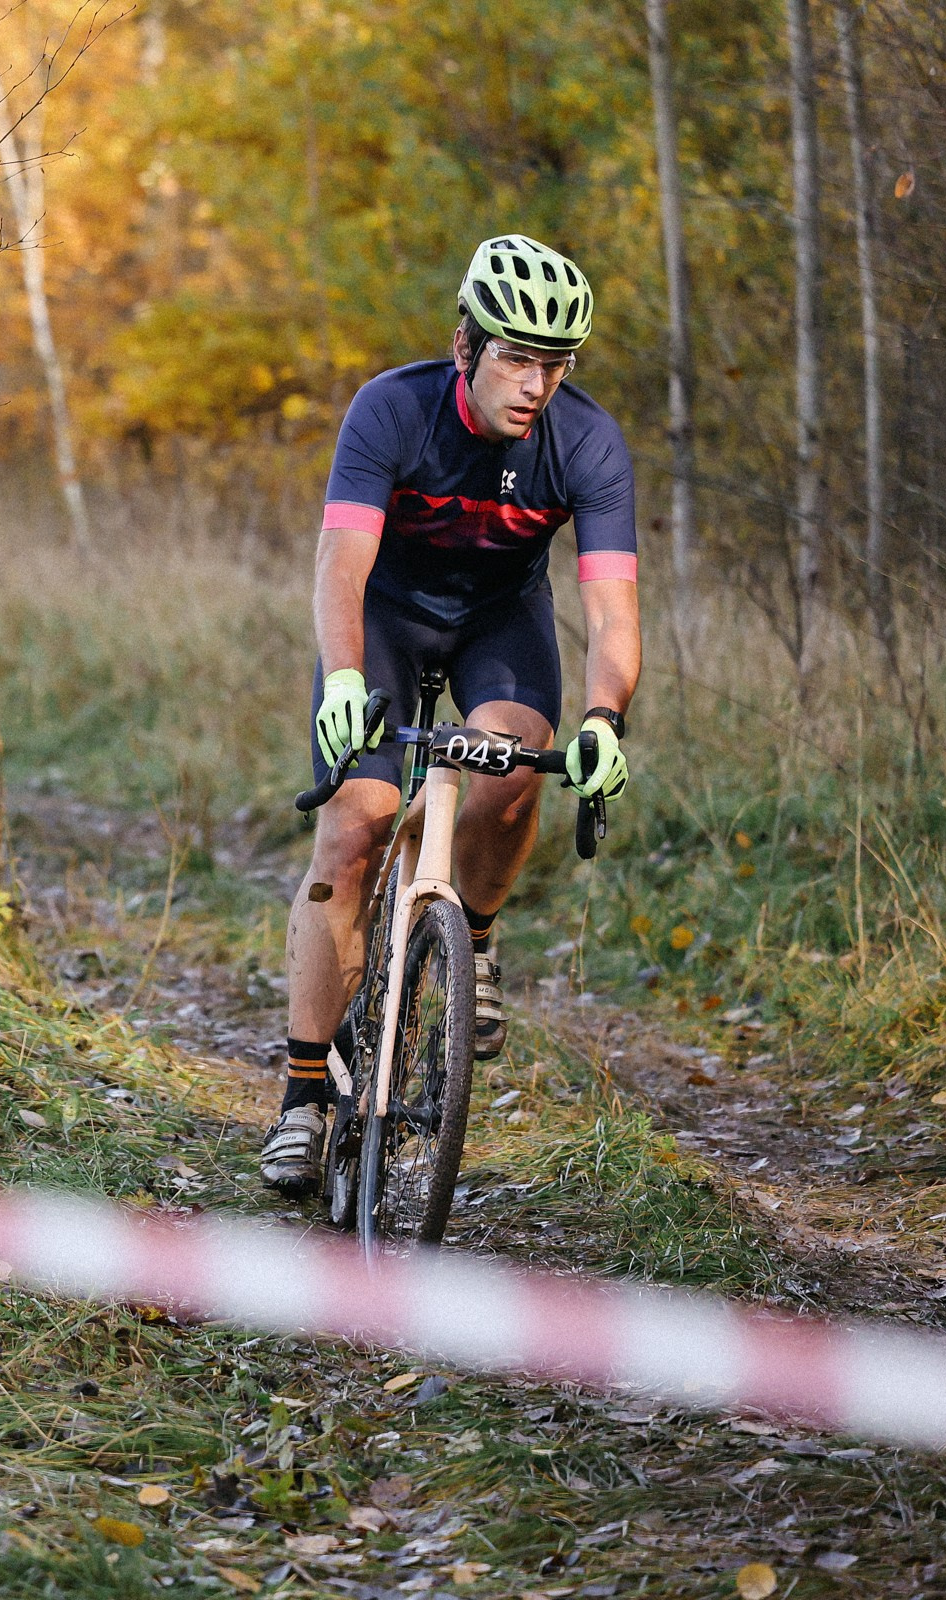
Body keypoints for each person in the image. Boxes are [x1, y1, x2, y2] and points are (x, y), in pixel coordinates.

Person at [258, 234, 640, 1196]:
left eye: (556, 364)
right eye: (518, 357)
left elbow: (610, 609)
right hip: (384, 619)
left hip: (498, 622)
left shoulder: (588, 443)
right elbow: (340, 563)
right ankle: (304, 1097)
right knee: (355, 827)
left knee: (517, 768)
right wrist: (344, 680)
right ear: (467, 345)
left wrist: (605, 717)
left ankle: (470, 934)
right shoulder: (392, 408)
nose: (538, 384)